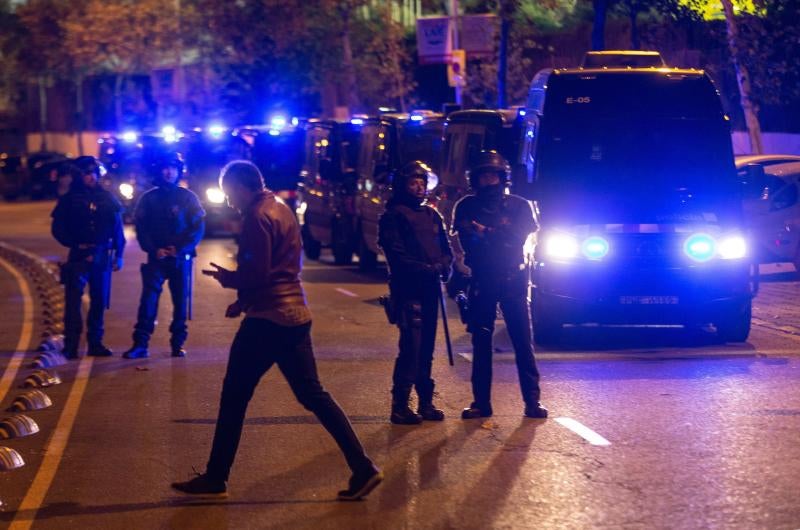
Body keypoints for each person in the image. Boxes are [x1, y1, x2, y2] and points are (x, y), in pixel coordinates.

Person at [171, 160, 382, 500]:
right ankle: (362, 467)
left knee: (234, 396)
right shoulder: (280, 207)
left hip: (268, 318)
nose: (228, 202)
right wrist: (243, 302)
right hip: (294, 312)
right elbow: (283, 269)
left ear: (242, 186)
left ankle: (215, 477)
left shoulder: (257, 216)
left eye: (229, 194)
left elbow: (259, 273)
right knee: (313, 394)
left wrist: (230, 281)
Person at [451, 150, 548, 420]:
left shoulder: (520, 205)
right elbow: (469, 240)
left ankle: (532, 402)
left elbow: (516, 239)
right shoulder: (466, 206)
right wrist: (493, 234)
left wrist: (486, 231)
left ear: (502, 177)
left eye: (493, 175)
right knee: (481, 345)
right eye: (483, 175)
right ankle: (481, 403)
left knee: (523, 343)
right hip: (482, 280)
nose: (488, 180)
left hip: (514, 280)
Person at [378, 161, 453, 425]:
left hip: (431, 289)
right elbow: (396, 256)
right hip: (408, 290)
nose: (419, 188)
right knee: (411, 347)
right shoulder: (392, 217)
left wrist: (444, 266)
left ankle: (426, 402)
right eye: (413, 183)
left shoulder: (433, 216)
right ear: (402, 185)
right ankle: (400, 405)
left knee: (427, 349)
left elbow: (446, 249)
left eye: (422, 183)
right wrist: (425, 269)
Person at [123, 154, 205, 359]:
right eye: (165, 168)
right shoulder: (148, 198)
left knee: (180, 304)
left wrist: (180, 249)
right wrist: (153, 249)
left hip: (180, 259)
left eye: (173, 168)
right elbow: (141, 228)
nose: (169, 172)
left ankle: (177, 344)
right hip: (156, 259)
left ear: (179, 171)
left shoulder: (188, 197)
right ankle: (140, 344)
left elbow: (197, 228)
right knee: (148, 302)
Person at [51, 156, 125, 358]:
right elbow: (58, 228)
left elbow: (117, 228)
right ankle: (71, 345)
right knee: (73, 302)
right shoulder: (68, 200)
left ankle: (95, 343)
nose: (90, 177)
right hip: (78, 256)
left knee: (99, 301)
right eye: (86, 173)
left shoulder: (108, 198)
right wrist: (74, 243)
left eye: (93, 173)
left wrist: (119, 254)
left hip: (101, 255)